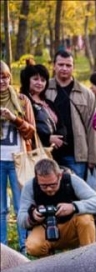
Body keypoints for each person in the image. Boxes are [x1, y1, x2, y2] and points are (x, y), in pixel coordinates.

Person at [18, 158, 96, 257]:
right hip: (46, 228)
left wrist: (74, 207)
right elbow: (21, 220)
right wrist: (32, 217)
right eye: (44, 186)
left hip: (72, 228)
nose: (49, 189)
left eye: (53, 185)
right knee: (33, 246)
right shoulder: (30, 186)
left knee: (85, 218)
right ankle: (50, 263)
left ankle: (89, 257)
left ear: (60, 176)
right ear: (37, 179)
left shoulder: (71, 180)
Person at [45, 50, 96, 179]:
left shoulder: (86, 94)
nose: (64, 68)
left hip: (76, 155)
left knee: (76, 189)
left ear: (73, 67)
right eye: (61, 64)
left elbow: (92, 127)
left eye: (68, 65)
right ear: (54, 65)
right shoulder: (44, 89)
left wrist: (92, 157)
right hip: (48, 153)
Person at [0, 61, 35, 248]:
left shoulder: (21, 100)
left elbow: (31, 132)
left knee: (21, 205)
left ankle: (25, 246)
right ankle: (3, 248)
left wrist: (14, 118)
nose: (2, 81)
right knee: (0, 209)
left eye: (5, 77)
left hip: (18, 160)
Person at [19, 63, 66, 161]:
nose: (39, 83)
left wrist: (59, 138)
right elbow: (24, 127)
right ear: (27, 80)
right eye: (35, 79)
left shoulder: (49, 103)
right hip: (33, 154)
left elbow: (61, 124)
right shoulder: (22, 102)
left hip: (53, 153)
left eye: (43, 80)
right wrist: (48, 138)